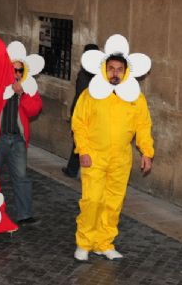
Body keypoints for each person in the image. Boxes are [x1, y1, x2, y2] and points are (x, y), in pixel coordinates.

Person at [72, 54, 154, 261]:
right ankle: (84, 243)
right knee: (92, 200)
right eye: (111, 68)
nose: (115, 73)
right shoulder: (91, 95)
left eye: (119, 69)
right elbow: (79, 123)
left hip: (121, 159)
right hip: (94, 156)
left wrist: (147, 152)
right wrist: (83, 151)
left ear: (125, 71)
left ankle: (104, 243)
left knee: (113, 203)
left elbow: (143, 126)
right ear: (104, 69)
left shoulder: (136, 97)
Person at [0, 57, 43, 225]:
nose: (16, 74)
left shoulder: (29, 88)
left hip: (17, 140)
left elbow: (34, 110)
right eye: (13, 70)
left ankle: (25, 214)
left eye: (20, 70)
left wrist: (21, 94)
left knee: (21, 177)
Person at [62, 43, 99, 178]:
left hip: (84, 114)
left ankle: (73, 169)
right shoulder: (94, 74)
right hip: (88, 114)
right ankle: (73, 169)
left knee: (79, 142)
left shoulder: (85, 75)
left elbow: (79, 96)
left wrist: (74, 113)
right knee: (80, 142)